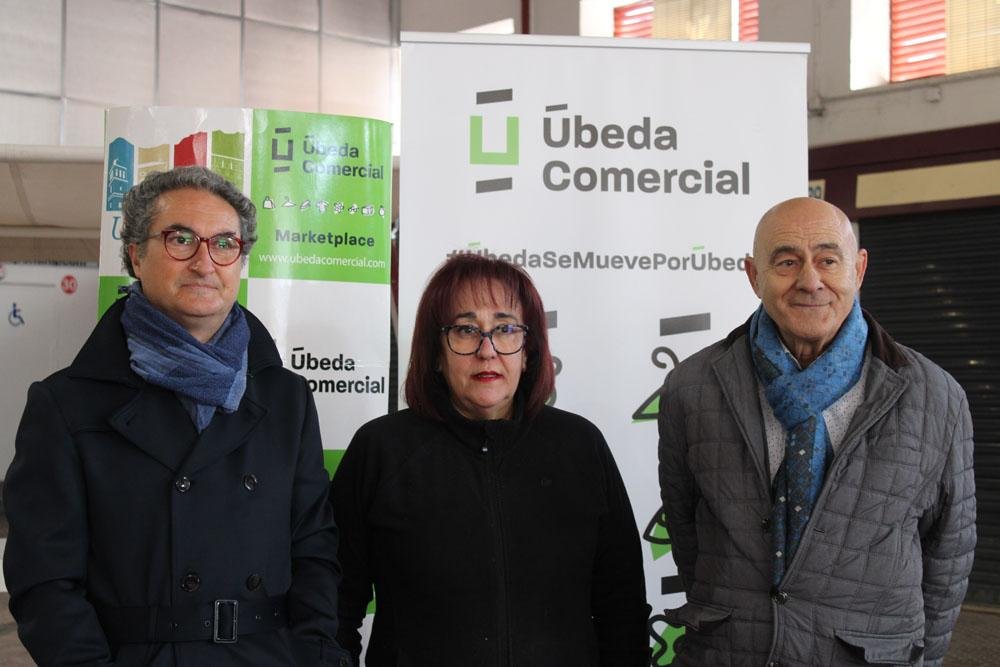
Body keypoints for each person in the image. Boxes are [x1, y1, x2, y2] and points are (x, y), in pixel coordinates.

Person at [4, 166, 352, 666]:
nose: (204, 263)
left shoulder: (285, 397)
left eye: (225, 243)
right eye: (180, 239)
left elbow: (315, 548)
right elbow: (44, 581)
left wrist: (318, 654)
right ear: (134, 255)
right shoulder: (65, 404)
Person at [657, 196, 976, 666]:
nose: (810, 281)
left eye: (828, 260)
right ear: (753, 276)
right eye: (787, 261)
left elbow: (948, 551)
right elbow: (686, 530)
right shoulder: (692, 386)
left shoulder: (936, 396)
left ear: (859, 269)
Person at [330, 254, 651, 666]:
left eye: (505, 329)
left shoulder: (580, 446)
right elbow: (335, 606)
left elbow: (621, 607)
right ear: (435, 352)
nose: (487, 351)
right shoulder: (381, 450)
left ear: (529, 351)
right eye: (465, 330)